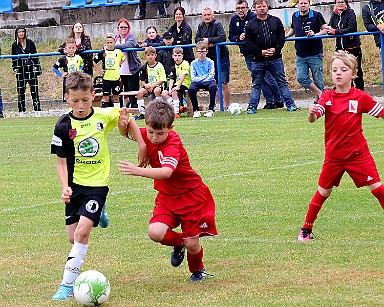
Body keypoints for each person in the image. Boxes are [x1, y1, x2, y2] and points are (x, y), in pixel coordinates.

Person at [50, 71, 147, 300]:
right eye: (75, 101)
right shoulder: (63, 125)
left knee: (83, 234)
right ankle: (99, 213)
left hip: (97, 186)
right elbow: (61, 162)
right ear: (67, 98)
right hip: (75, 186)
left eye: (85, 100)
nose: (81, 105)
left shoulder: (103, 116)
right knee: (73, 238)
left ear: (93, 96)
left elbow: (127, 119)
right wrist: (64, 187)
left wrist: (141, 144)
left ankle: (66, 284)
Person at [118, 99, 218, 282]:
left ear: (171, 128)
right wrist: (125, 126)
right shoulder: (149, 133)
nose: (154, 137)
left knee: (193, 245)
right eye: (150, 132)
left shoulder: (173, 143)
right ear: (146, 124)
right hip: (167, 197)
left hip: (191, 196)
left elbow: (166, 172)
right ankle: (180, 243)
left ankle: (198, 269)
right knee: (155, 232)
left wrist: (138, 170)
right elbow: (128, 126)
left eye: (160, 133)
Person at [297, 50, 384, 242]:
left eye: (343, 69)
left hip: (358, 155)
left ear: (353, 74)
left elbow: (381, 112)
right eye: (334, 69)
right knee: (323, 192)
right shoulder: (327, 97)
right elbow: (314, 118)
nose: (338, 73)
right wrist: (311, 113)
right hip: (334, 157)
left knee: (378, 188)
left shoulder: (361, 97)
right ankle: (305, 230)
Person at [244, 0, 297, 114]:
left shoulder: (276, 21)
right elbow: (248, 43)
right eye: (259, 6)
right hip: (258, 61)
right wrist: (260, 52)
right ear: (255, 8)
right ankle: (252, 107)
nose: (262, 8)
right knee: (256, 85)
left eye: (263, 6)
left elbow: (281, 37)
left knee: (282, 82)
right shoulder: (250, 24)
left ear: (267, 7)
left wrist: (276, 49)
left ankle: (290, 104)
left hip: (275, 58)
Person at [228, 0, 282, 109]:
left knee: (269, 78)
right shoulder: (234, 19)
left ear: (248, 8)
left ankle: (279, 100)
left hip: (261, 54)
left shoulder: (254, 17)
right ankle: (270, 101)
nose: (240, 10)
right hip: (247, 54)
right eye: (238, 8)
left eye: (243, 8)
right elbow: (231, 36)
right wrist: (239, 38)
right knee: (260, 80)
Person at [285, 0, 328, 103]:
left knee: (318, 80)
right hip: (300, 54)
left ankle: (318, 102)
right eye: (301, 3)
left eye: (305, 3)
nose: (303, 5)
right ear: (298, 5)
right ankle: (321, 94)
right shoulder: (294, 15)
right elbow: (293, 30)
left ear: (309, 4)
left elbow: (325, 30)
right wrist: (285, 36)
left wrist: (315, 34)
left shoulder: (317, 15)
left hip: (315, 53)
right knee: (301, 77)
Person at [195, 7, 230, 110]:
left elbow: (222, 37)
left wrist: (209, 41)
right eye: (205, 15)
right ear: (202, 17)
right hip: (209, 58)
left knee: (223, 82)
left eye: (209, 15)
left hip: (221, 56)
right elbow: (197, 39)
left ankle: (226, 105)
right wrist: (206, 42)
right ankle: (215, 105)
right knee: (212, 82)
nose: (207, 17)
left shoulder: (217, 24)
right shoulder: (201, 26)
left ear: (213, 15)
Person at [327, 0, 364, 91]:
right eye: (338, 2)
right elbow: (330, 27)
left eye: (342, 2)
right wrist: (330, 30)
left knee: (357, 72)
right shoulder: (334, 14)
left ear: (346, 3)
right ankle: (347, 93)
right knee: (344, 72)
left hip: (353, 48)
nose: (340, 4)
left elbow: (351, 28)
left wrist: (336, 31)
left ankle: (360, 93)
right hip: (340, 49)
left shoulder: (350, 12)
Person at [11, 26, 41, 113]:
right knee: (21, 91)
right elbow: (13, 58)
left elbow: (35, 55)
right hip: (21, 70)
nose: (21, 33)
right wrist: (15, 67)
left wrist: (36, 66)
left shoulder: (30, 42)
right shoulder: (15, 45)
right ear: (16, 33)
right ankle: (22, 110)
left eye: (22, 31)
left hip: (31, 69)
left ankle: (37, 109)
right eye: (19, 32)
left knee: (34, 90)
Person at [114, 18, 142, 108]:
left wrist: (113, 47)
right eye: (121, 27)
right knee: (122, 91)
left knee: (132, 91)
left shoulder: (131, 36)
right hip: (119, 70)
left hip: (131, 69)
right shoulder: (115, 38)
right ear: (118, 28)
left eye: (125, 27)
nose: (123, 29)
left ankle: (136, 109)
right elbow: (106, 45)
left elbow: (129, 45)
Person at [93, 33, 125, 108]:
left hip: (116, 78)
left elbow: (123, 59)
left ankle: (117, 113)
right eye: (108, 43)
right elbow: (94, 62)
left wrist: (118, 65)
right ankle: (105, 114)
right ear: (105, 43)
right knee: (106, 98)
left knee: (116, 97)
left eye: (111, 42)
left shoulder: (118, 52)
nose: (109, 44)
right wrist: (100, 70)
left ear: (114, 42)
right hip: (106, 78)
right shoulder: (103, 52)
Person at [136, 46, 167, 119]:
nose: (150, 57)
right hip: (148, 86)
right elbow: (142, 80)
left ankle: (158, 111)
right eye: (148, 55)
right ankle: (142, 113)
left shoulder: (159, 66)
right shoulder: (144, 67)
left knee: (157, 90)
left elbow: (162, 80)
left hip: (157, 85)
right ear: (145, 56)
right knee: (139, 93)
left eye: (152, 55)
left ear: (155, 55)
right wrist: (145, 85)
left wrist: (153, 86)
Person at [188, 41, 217, 118]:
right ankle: (196, 110)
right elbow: (193, 78)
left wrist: (204, 79)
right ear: (196, 52)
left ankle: (211, 109)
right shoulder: (193, 63)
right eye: (199, 52)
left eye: (203, 52)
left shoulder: (211, 62)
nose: (201, 54)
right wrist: (203, 78)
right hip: (198, 81)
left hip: (208, 81)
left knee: (213, 87)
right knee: (191, 89)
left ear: (207, 52)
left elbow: (211, 75)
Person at [162, 47, 192, 117]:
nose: (177, 57)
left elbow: (183, 75)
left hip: (185, 83)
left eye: (179, 55)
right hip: (176, 84)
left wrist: (177, 87)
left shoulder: (185, 63)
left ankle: (176, 112)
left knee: (174, 92)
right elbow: (172, 79)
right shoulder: (174, 66)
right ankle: (176, 105)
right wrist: (169, 89)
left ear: (182, 56)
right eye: (175, 55)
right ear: (172, 56)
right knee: (164, 93)